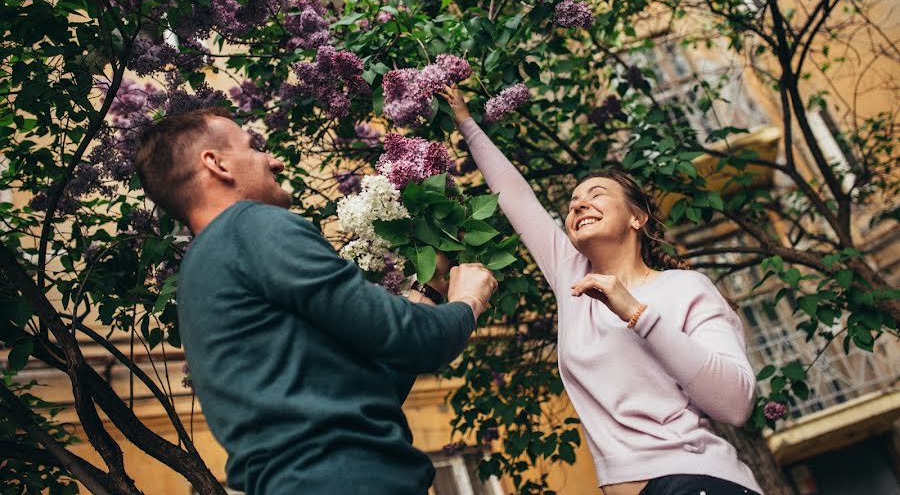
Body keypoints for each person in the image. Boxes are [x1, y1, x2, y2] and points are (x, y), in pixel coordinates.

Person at [133, 107, 497, 495]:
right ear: (217, 163)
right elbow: (412, 338)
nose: (272, 159)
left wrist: (429, 292)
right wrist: (468, 300)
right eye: (253, 148)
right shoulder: (253, 225)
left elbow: (364, 391)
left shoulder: (199, 272)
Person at [443, 89, 763, 495]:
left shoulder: (685, 289)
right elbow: (517, 198)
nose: (578, 206)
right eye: (573, 202)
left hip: (698, 482)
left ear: (636, 217)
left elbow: (735, 404)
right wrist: (465, 122)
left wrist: (638, 314)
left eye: (596, 196)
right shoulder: (572, 279)